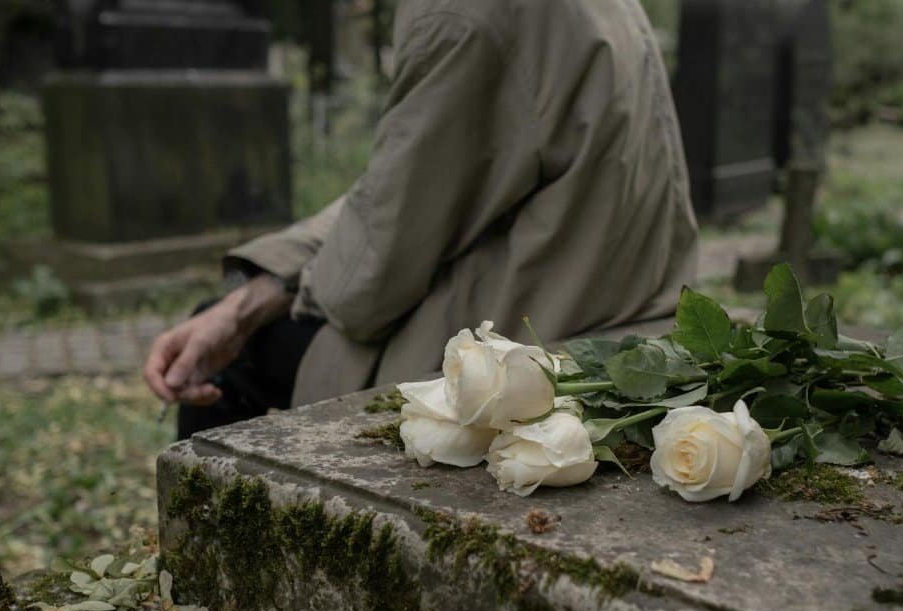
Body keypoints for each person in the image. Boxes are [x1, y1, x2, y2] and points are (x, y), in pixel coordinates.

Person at [144, 0, 700, 439]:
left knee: (230, 357)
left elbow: (367, 283)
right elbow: (404, 195)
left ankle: (206, 575)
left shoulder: (461, 13)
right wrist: (252, 294)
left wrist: (244, 311)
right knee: (233, 320)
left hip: (537, 340)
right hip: (617, 310)